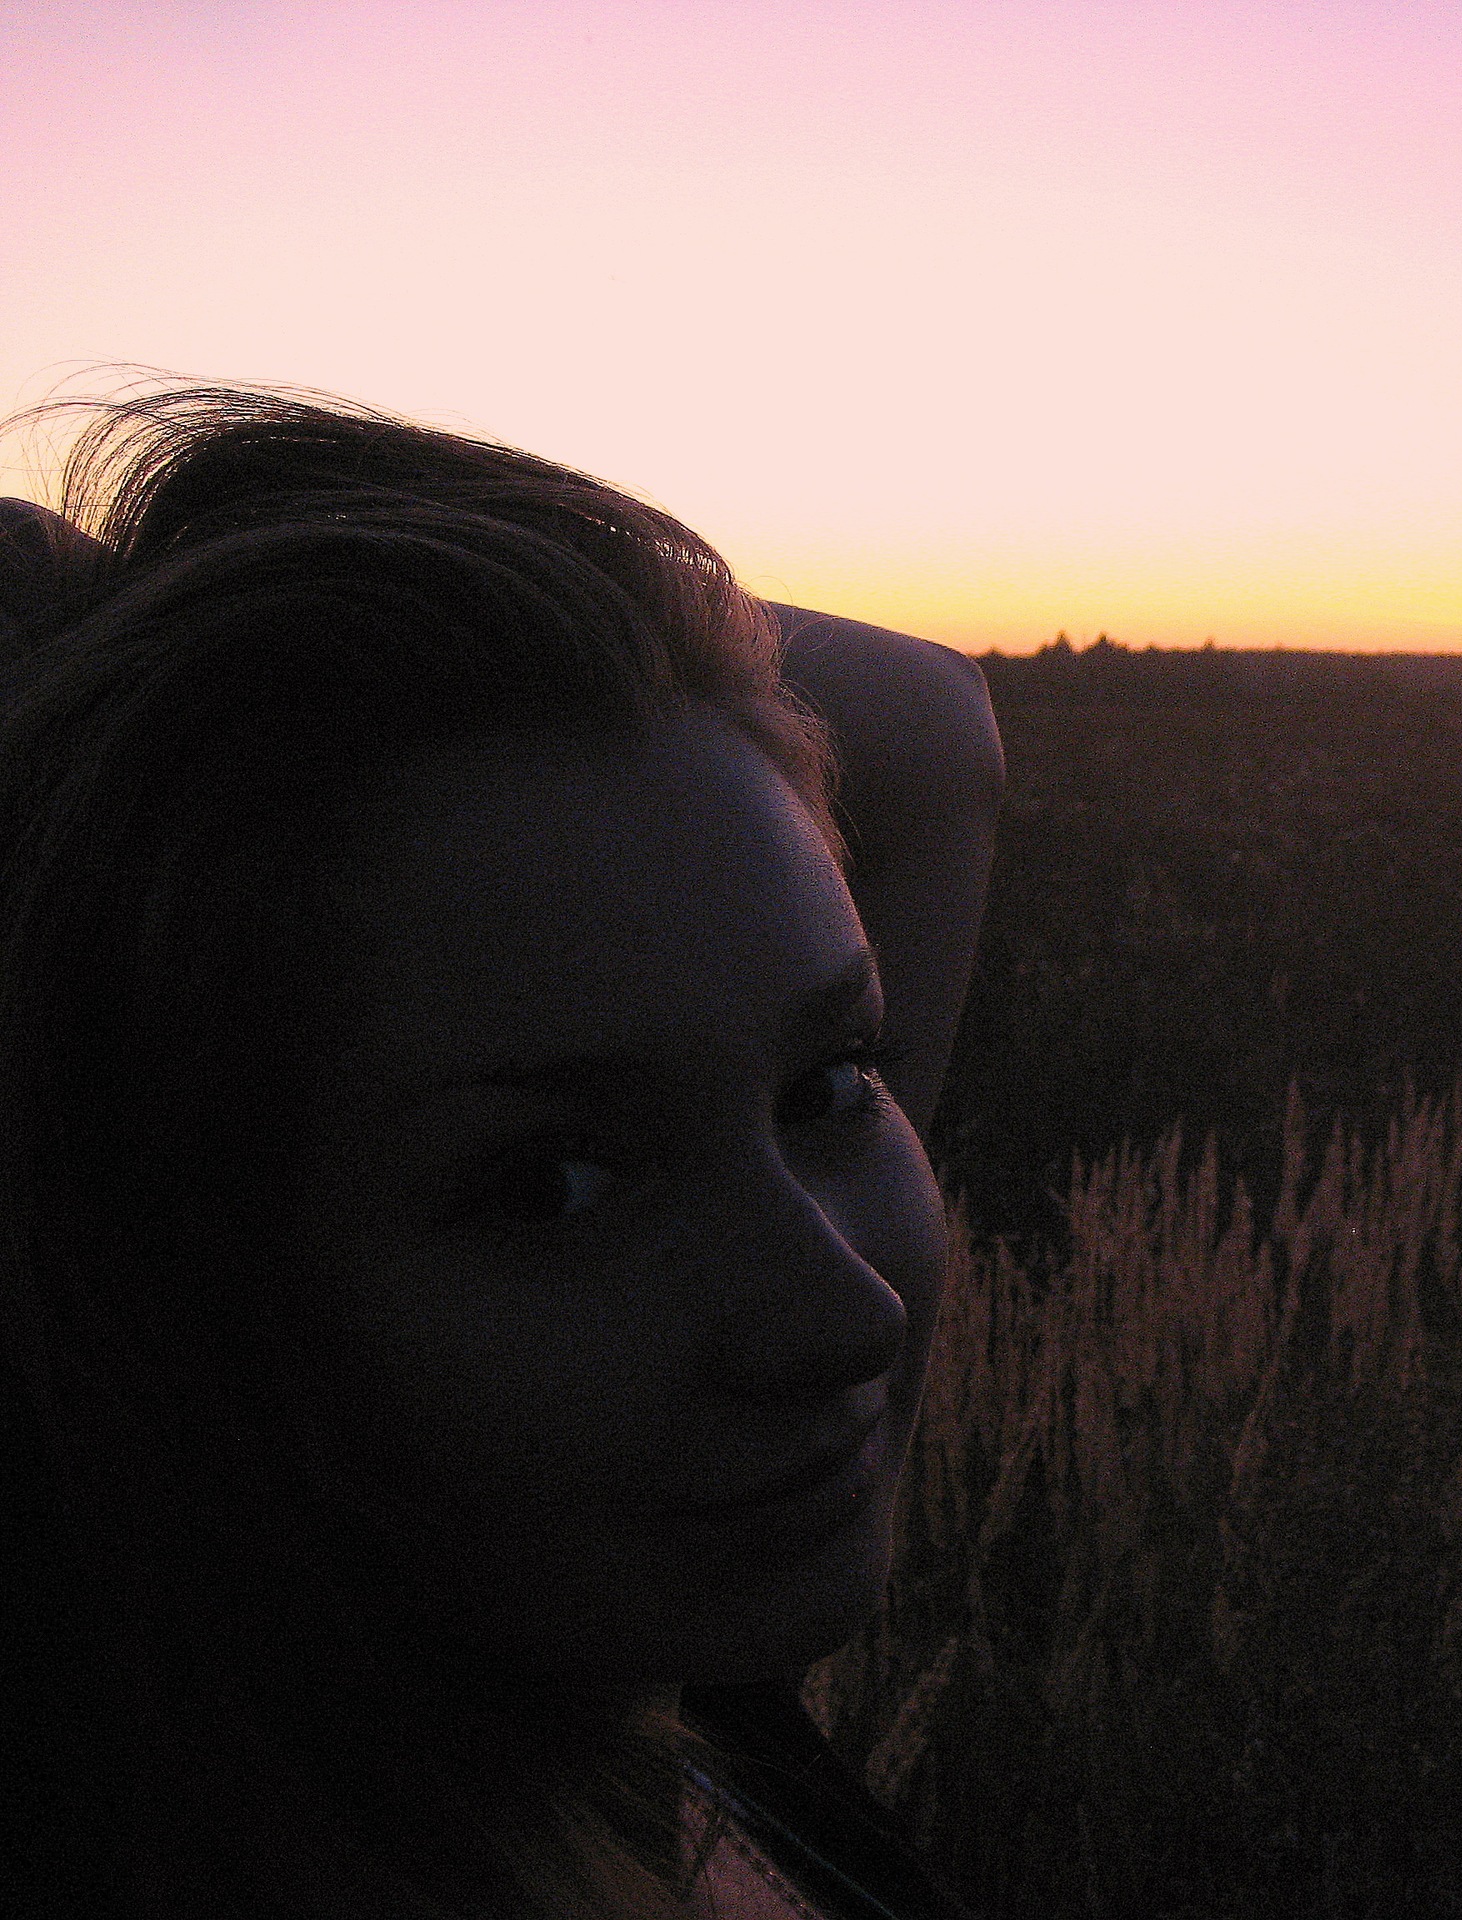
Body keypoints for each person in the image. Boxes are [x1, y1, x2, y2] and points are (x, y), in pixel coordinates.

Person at [0, 385, 1004, 1918]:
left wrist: (112, 621)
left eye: (827, 1087)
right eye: (556, 1186)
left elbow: (924, 720)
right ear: (147, 1285)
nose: (841, 1316)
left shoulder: (589, 1675)